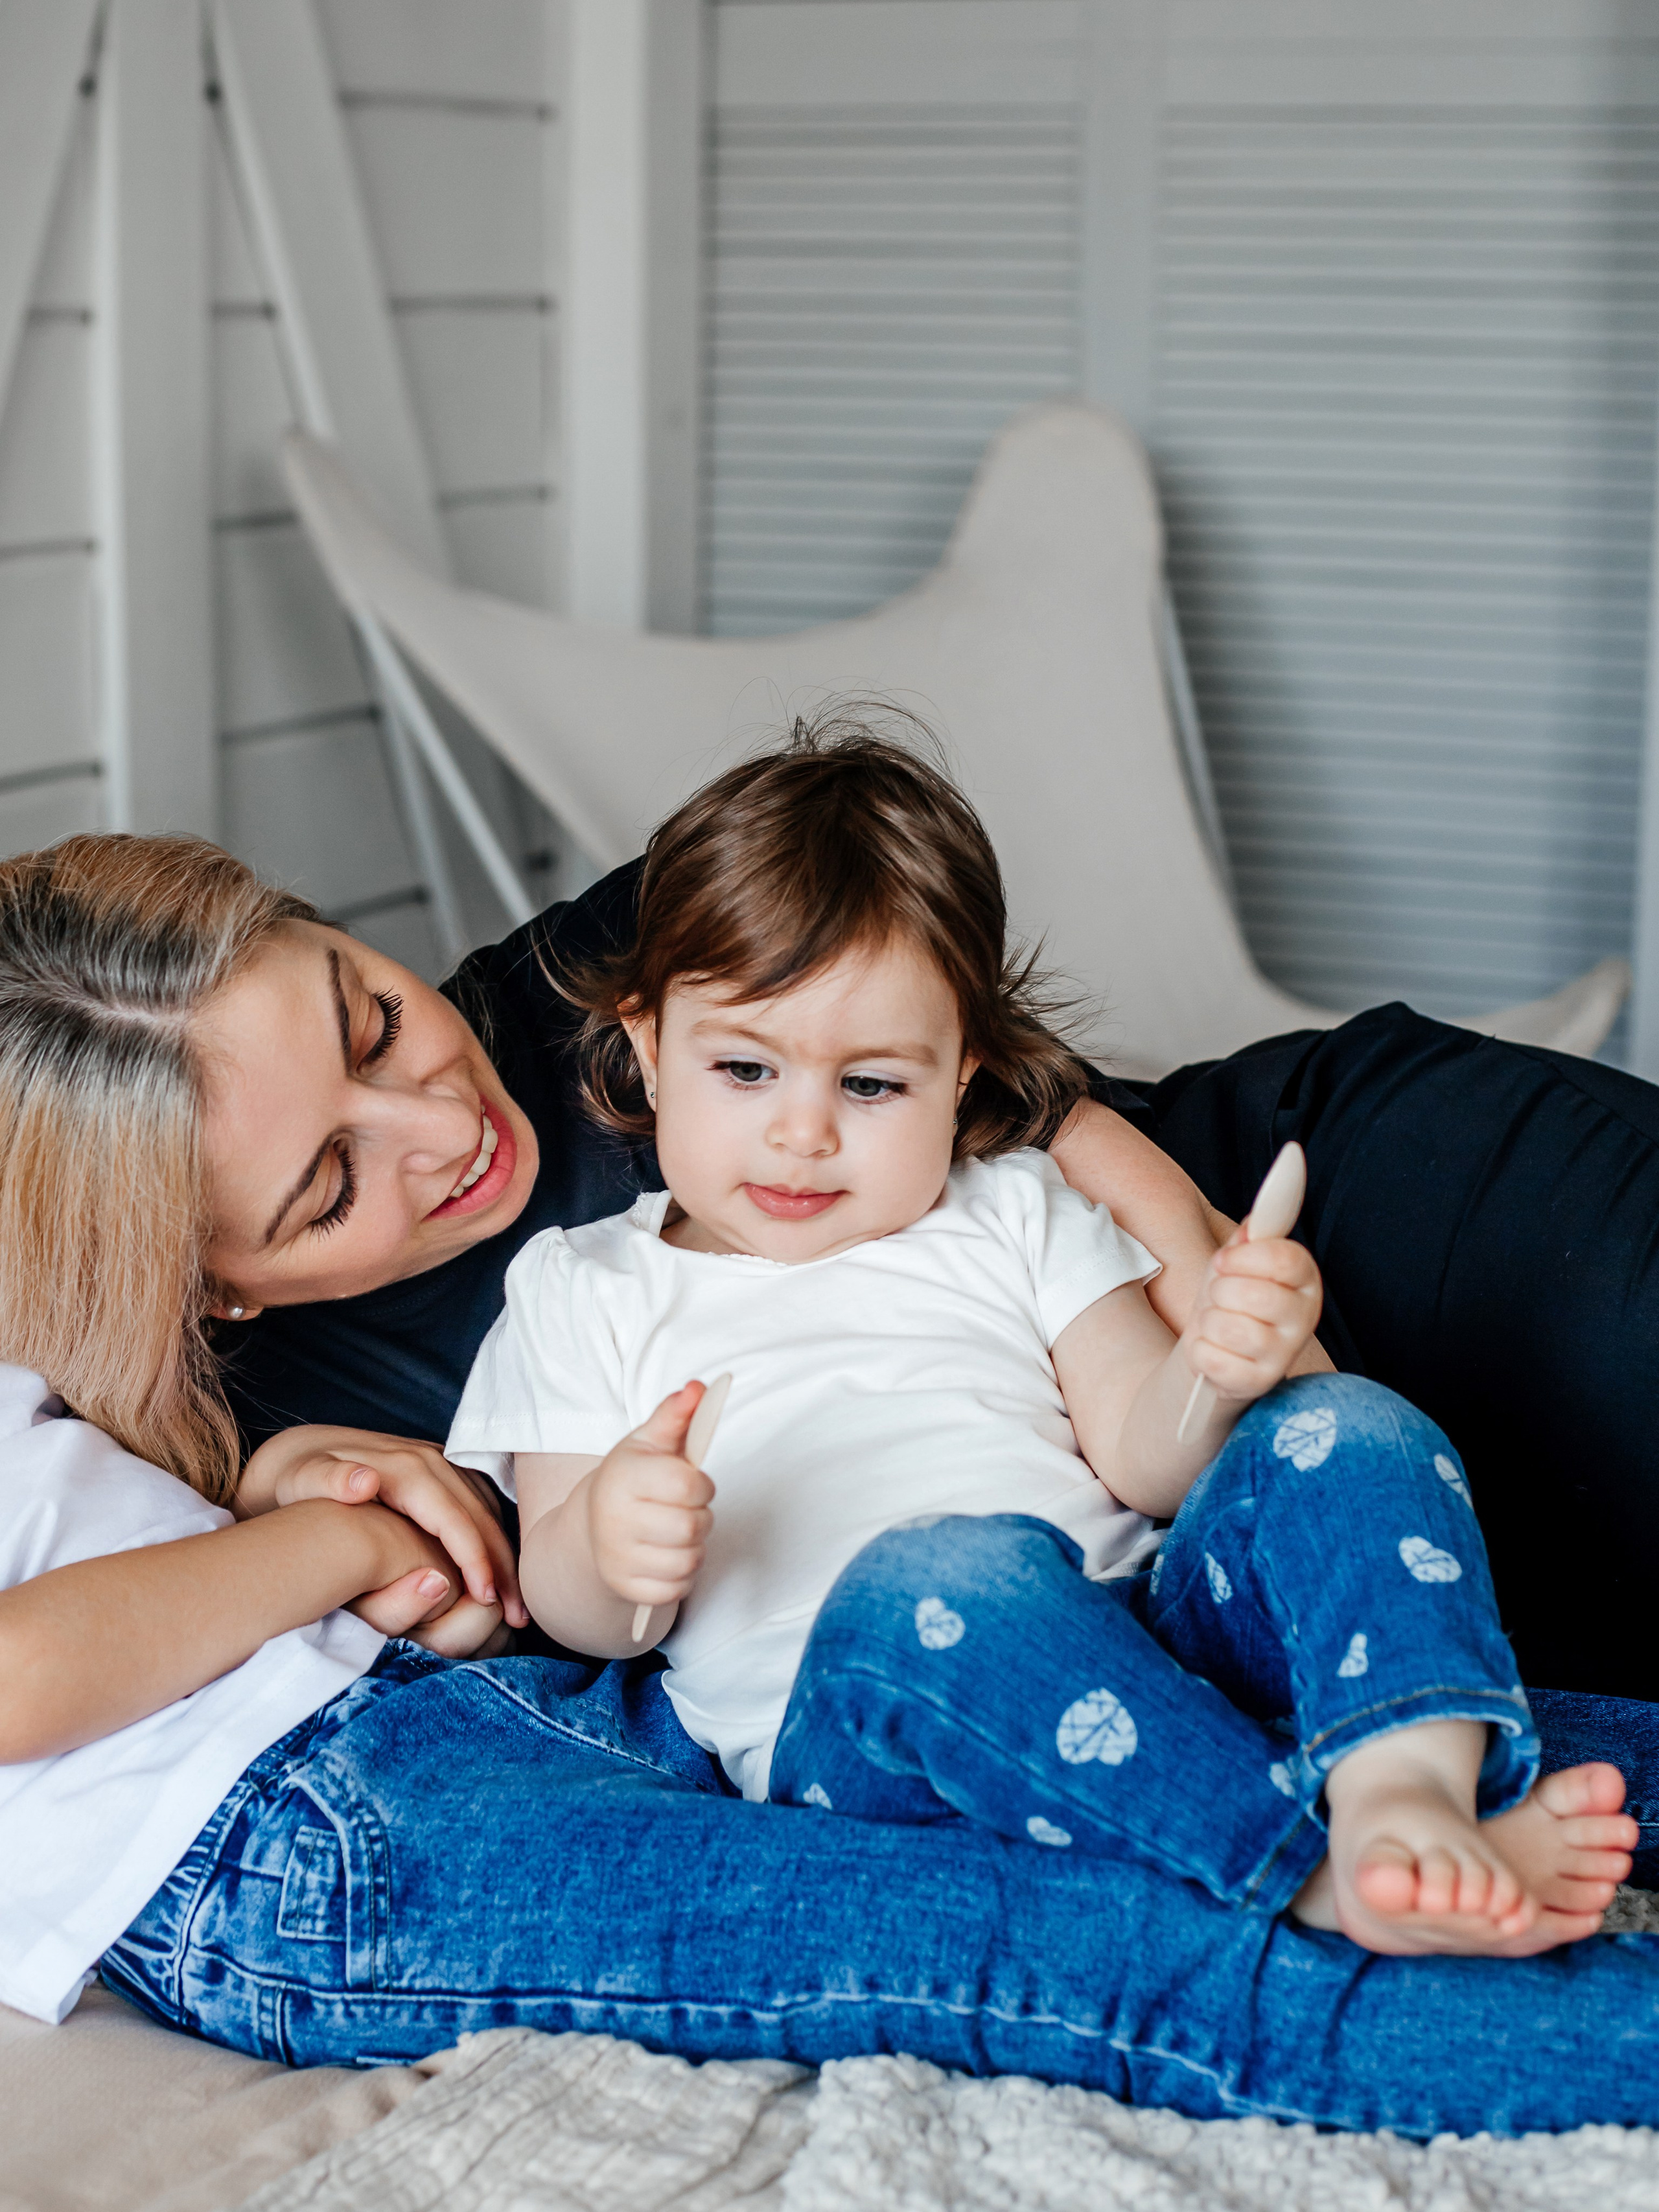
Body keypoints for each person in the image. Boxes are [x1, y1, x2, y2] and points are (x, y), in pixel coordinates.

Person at [1, 823, 1658, 2135]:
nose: (436, 1123)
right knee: (995, 1637)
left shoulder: (617, 969)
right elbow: (551, 1606)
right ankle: (1354, 1860)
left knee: (1416, 1418)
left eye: (371, 1016)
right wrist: (337, 1510)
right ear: (211, 1285)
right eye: (326, 1186)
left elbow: (1027, 1091)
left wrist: (1222, 1304)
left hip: (1245, 1288)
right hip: (1031, 1658)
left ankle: (1397, 1806)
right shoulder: (406, 1382)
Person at [445, 725, 1634, 1957]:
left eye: (872, 1087)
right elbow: (569, 1609)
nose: (802, 1135)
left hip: (1153, 1650)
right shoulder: (583, 1285)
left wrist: (1214, 1372)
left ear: (962, 1074)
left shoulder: (1011, 1206)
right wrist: (615, 1543)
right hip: (876, 1719)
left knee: (1348, 1419)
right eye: (746, 1069)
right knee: (943, 1577)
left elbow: (1145, 1458)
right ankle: (1314, 1875)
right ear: (647, 1045)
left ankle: (1409, 1795)